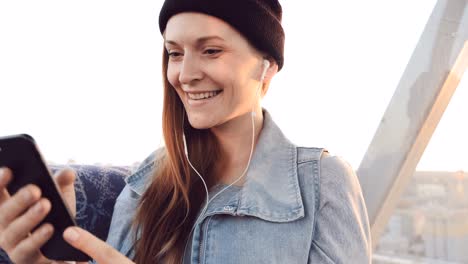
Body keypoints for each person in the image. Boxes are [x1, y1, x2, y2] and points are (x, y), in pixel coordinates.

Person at [0, 0, 372, 263]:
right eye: (174, 53)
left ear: (267, 67)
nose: (185, 74)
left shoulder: (323, 183)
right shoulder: (142, 186)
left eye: (210, 51)